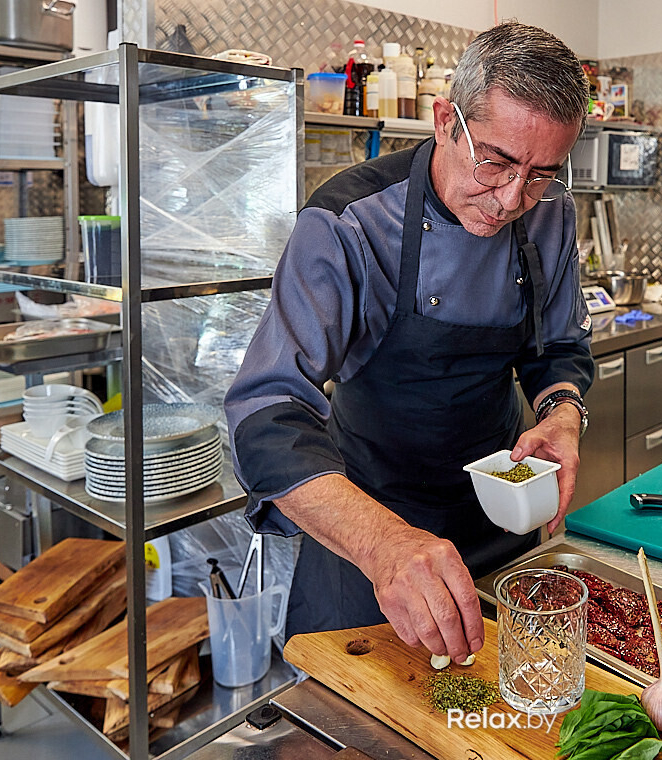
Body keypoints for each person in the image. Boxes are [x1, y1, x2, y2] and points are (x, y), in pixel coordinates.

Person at [224, 21, 594, 665]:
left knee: (501, 704)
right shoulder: (350, 222)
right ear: (445, 121)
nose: (512, 198)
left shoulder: (549, 214)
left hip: (499, 522)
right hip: (370, 533)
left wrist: (562, 415)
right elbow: (265, 413)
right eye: (496, 162)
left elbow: (556, 348)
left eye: (541, 174)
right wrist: (382, 544)